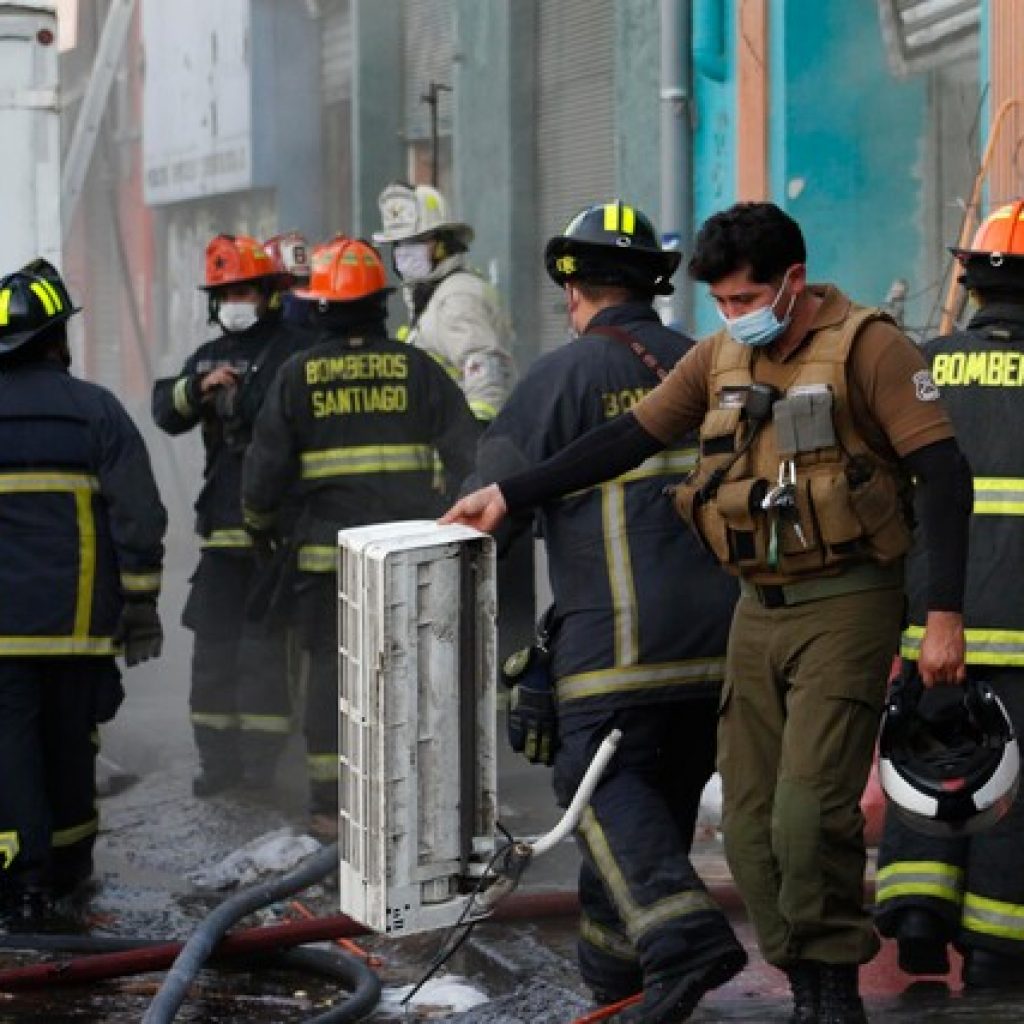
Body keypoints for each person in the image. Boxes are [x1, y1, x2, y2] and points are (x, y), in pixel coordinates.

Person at [442, 201, 973, 1024]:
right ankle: (807, 984)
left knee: (807, 811)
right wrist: (508, 494)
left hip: (848, 600)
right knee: (753, 827)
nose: (733, 316)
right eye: (721, 303)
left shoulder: (870, 347)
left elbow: (946, 473)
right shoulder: (720, 356)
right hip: (756, 611)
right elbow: (624, 439)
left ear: (792, 282)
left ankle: (834, 992)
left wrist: (943, 615)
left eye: (745, 298)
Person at [474, 201, 746, 1019]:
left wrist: (523, 660)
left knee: (596, 790)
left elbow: (483, 515)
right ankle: (621, 987)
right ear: (655, 286)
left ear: (572, 289)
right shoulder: (709, 364)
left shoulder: (558, 380)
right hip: (722, 653)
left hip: (616, 649)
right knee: (647, 818)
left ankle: (686, 940)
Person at [241, 236, 481, 840]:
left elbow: (263, 473)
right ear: (381, 304)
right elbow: (467, 453)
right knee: (411, 669)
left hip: (327, 562)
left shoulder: (297, 375)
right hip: (409, 558)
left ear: (319, 308)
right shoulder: (417, 368)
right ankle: (417, 793)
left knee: (331, 673)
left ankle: (330, 801)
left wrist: (261, 530)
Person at [875, 199, 1024, 991]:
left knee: (927, 763)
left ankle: (917, 917)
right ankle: (1000, 946)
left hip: (932, 620)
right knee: (1011, 784)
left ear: (971, 280)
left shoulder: (923, 365)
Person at [0, 259, 165, 920]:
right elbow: (140, 517)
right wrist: (142, 606)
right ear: (55, 339)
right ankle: (68, 874)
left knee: (9, 753)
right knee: (70, 749)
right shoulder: (96, 411)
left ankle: (21, 882)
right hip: (79, 631)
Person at [152, 233, 309, 798]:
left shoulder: (294, 349)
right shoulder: (206, 357)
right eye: (224, 292)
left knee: (263, 653)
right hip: (221, 531)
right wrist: (198, 387)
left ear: (266, 293)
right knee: (212, 651)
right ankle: (217, 764)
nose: (233, 301)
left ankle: (262, 765)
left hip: (275, 531)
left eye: (243, 288)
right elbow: (164, 412)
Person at [373, 181, 516, 423]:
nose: (403, 251)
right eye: (398, 244)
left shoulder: (457, 297)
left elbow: (486, 375)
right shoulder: (432, 295)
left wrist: (476, 436)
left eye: (416, 241)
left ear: (443, 242)